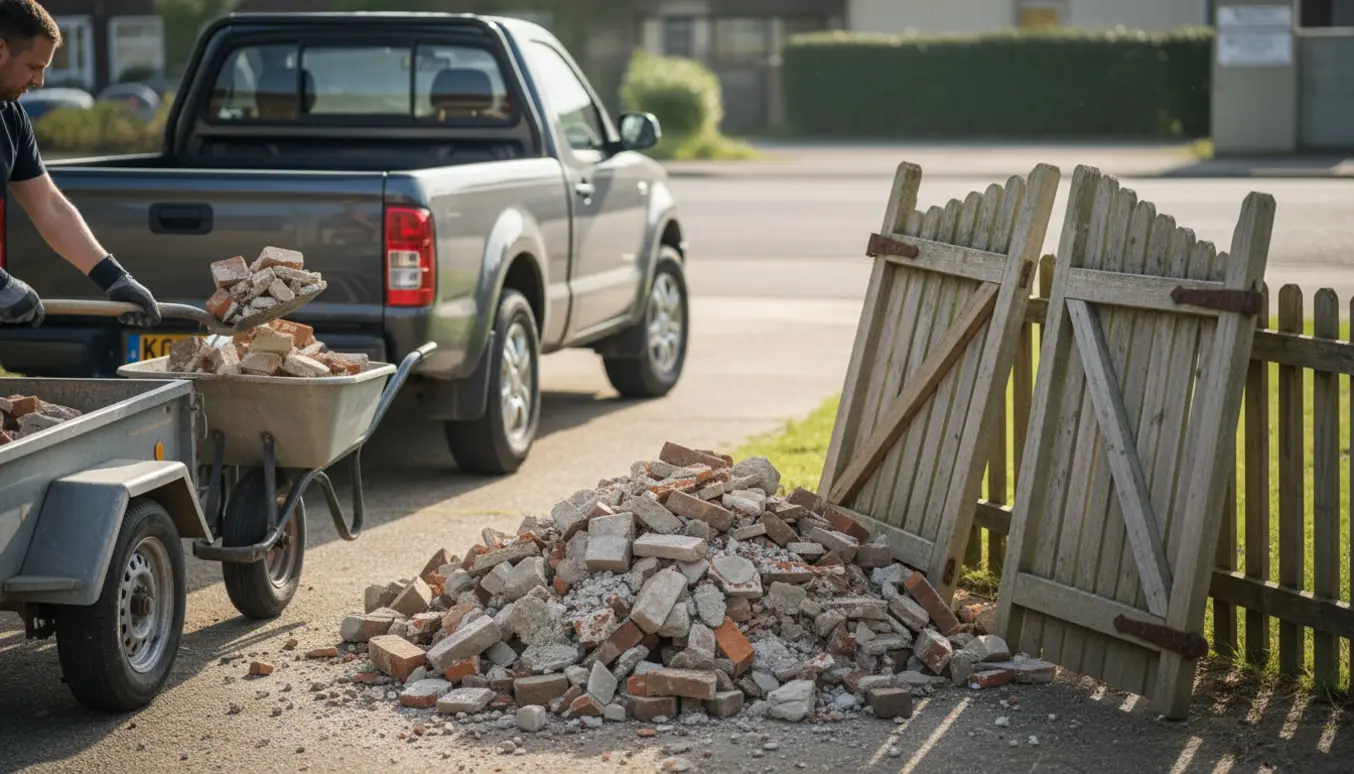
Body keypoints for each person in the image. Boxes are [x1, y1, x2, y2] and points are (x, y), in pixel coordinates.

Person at [0, 0, 159, 328]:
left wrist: (113, 277)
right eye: (33, 66)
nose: (40, 82)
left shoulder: (11, 118)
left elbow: (50, 208)